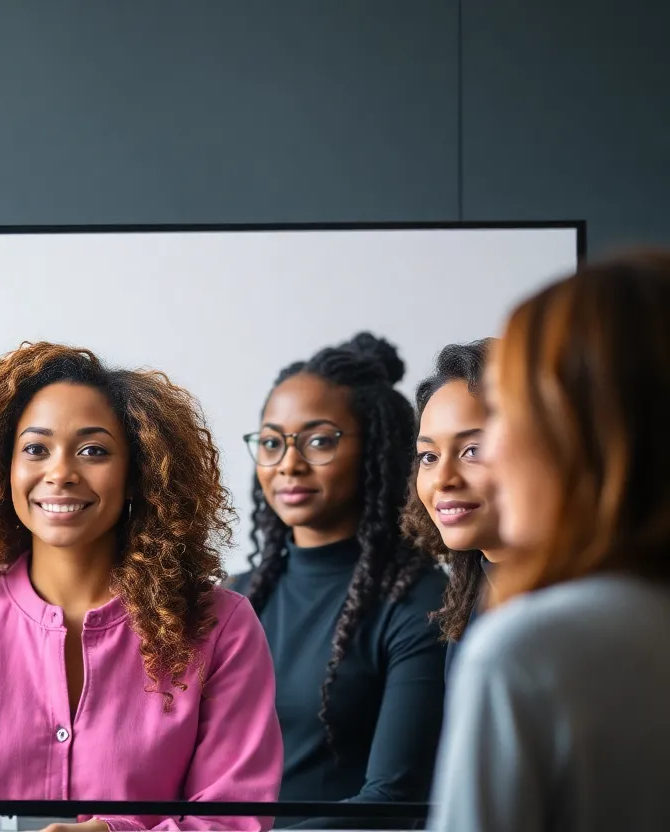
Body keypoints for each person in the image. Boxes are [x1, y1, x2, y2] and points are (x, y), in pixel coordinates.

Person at [0, 342, 285, 832]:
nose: (61, 473)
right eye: (35, 449)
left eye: (93, 451)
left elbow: (234, 820)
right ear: (3, 469)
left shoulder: (220, 626)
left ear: (137, 473)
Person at [429, 251, 670, 832]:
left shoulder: (526, 651)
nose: (497, 450)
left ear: (586, 432)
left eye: (513, 414)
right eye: (427, 455)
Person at [228, 332, 447, 829]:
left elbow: (392, 802)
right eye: (271, 442)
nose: (289, 463)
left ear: (376, 451)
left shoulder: (420, 604)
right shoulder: (235, 599)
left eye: (319, 441)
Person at [401, 339, 521, 677]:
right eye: (429, 456)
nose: (443, 479)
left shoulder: (577, 609)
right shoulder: (472, 603)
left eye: (473, 450)